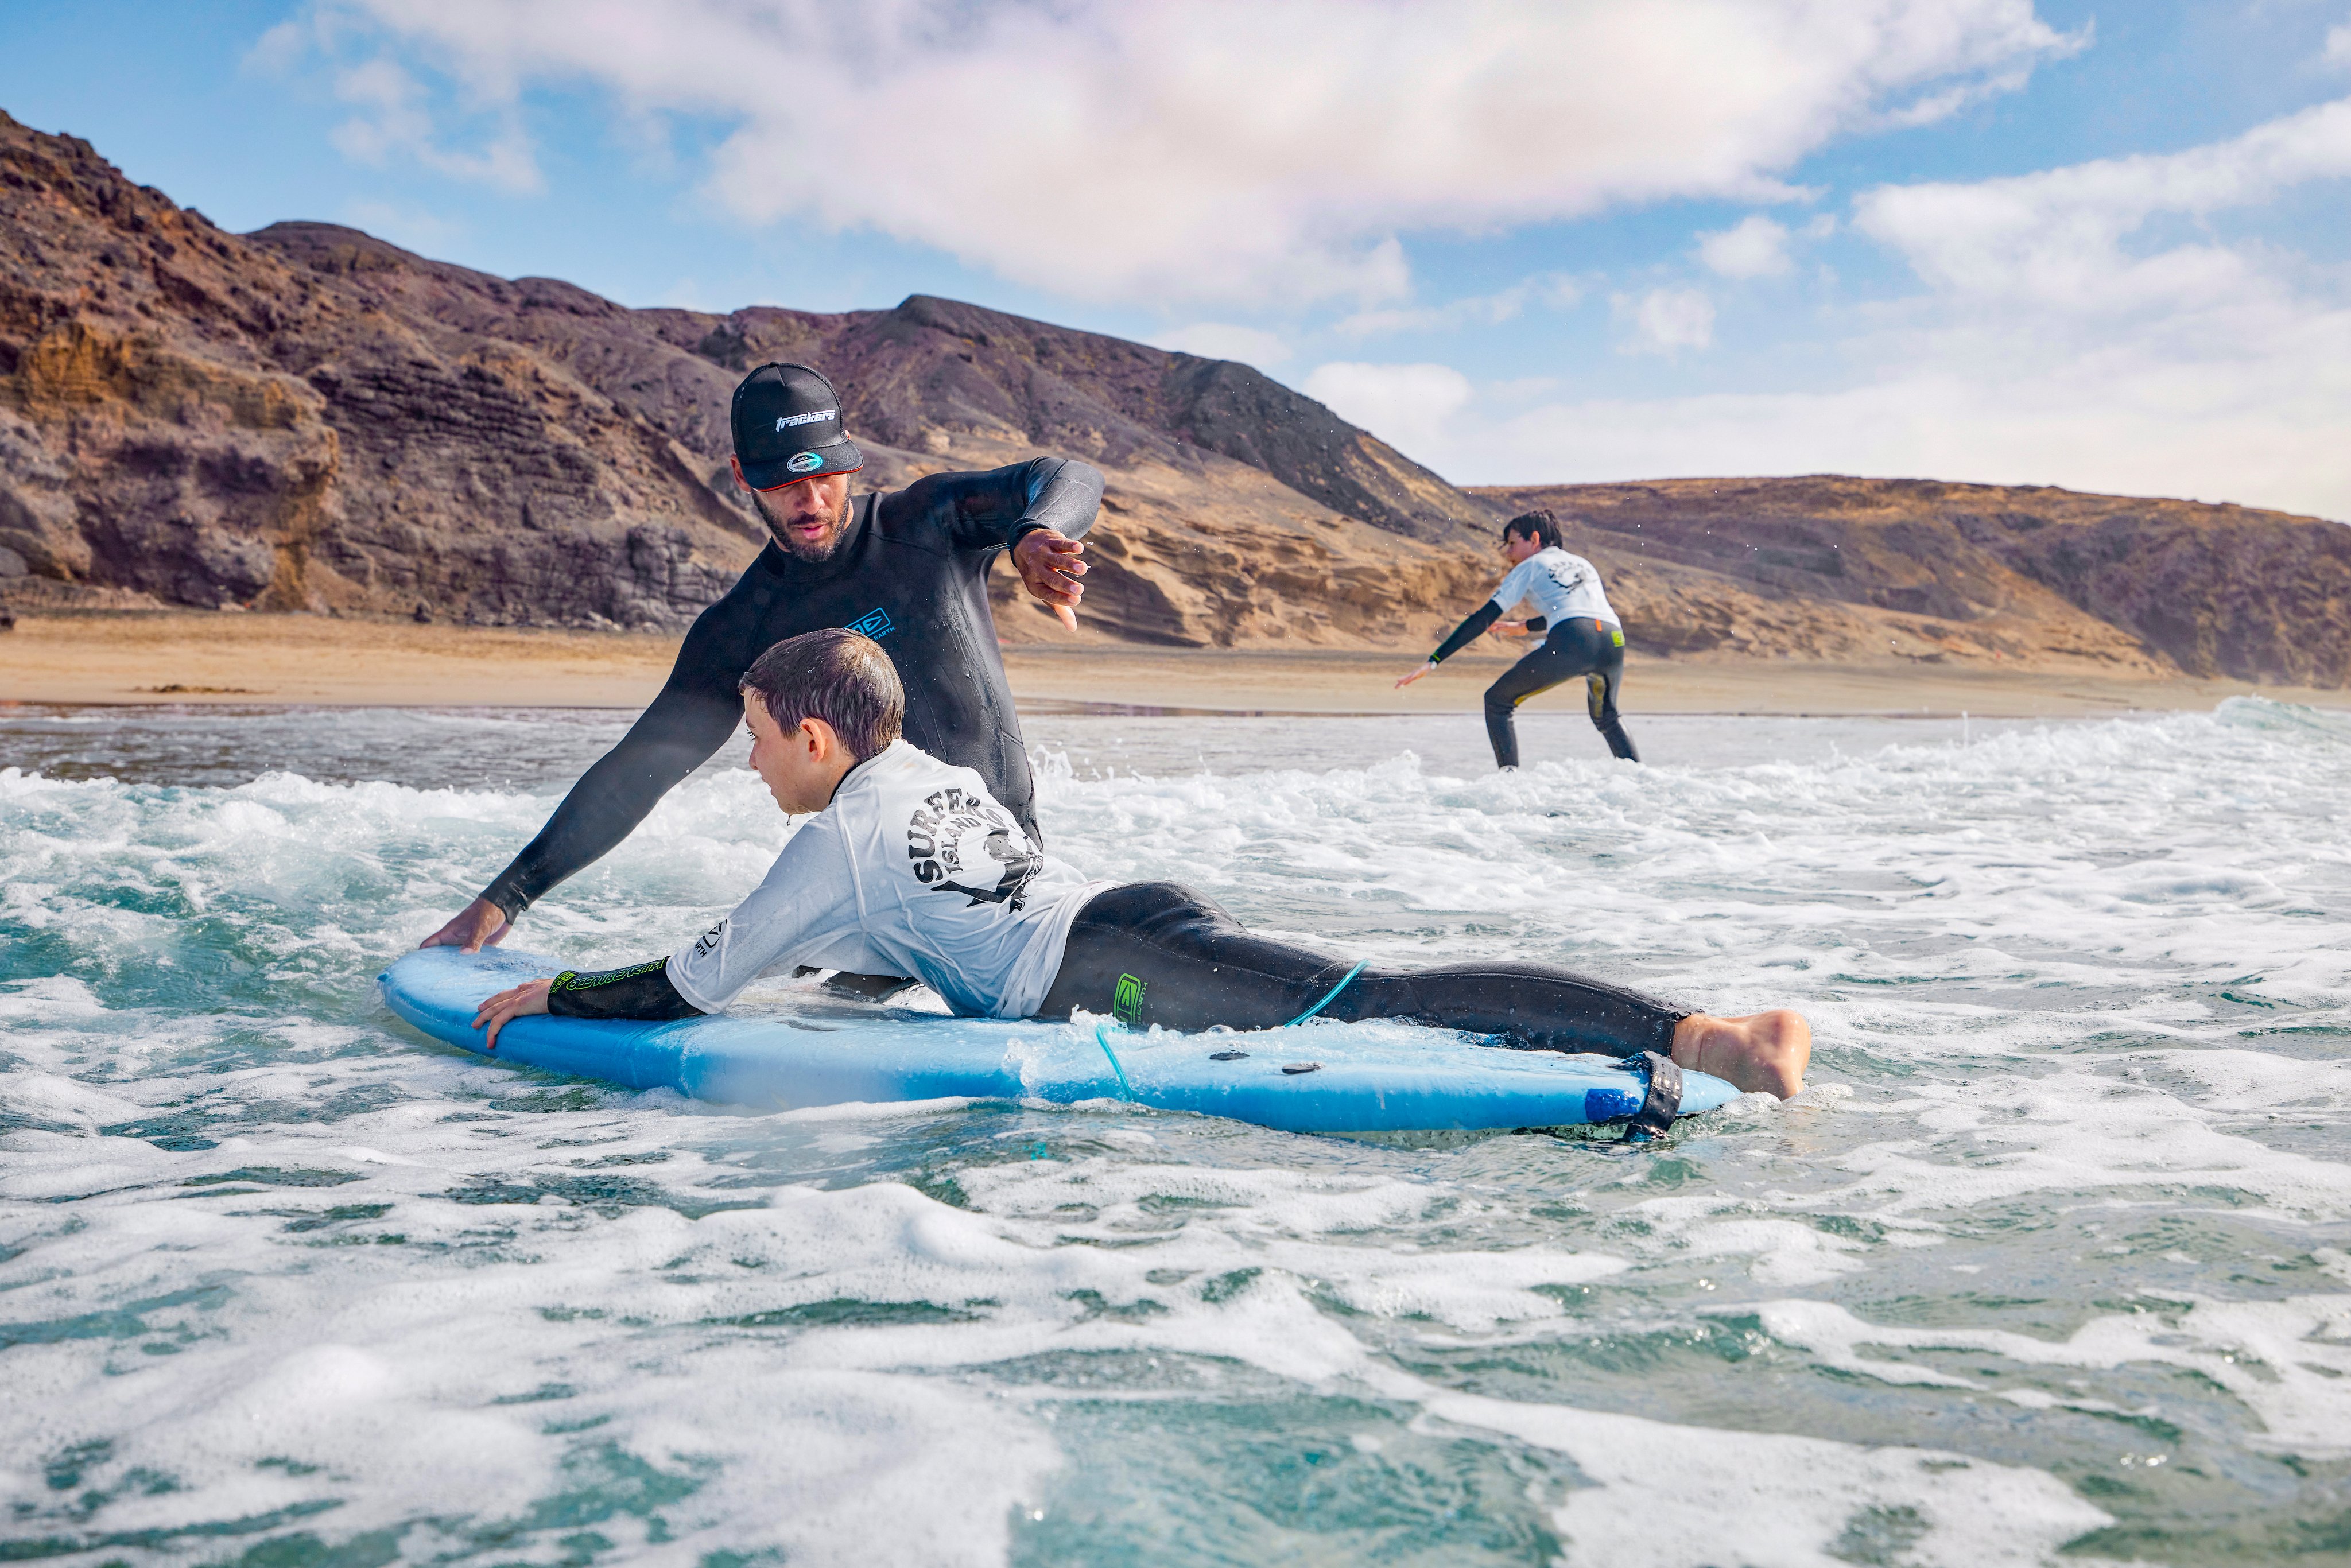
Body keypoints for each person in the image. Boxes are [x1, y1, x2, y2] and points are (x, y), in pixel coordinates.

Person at [471, 630, 1811, 1098]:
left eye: (758, 740)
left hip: (1114, 972)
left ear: (814, 735)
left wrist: (556, 993)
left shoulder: (832, 843)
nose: (749, 761)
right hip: (1132, 923)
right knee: (1368, 1003)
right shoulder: (922, 770)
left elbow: (692, 989)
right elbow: (922, 919)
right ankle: (1653, 1051)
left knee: (1379, 1003)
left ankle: (1710, 1033)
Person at [420, 362, 1103, 973]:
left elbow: (1066, 476)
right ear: (745, 477)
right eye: (784, 482)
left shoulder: (925, 525)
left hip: (1001, 883)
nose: (809, 501)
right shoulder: (742, 626)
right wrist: (505, 898)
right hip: (870, 914)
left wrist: (1035, 531)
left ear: (850, 464)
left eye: (823, 476)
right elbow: (639, 769)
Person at [1398, 510, 1639, 768]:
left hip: (1574, 640)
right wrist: (1526, 626)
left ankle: (1510, 785)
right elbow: (1582, 613)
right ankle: (1640, 781)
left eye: (1512, 544)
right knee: (1607, 717)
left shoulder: (1531, 566)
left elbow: (1483, 618)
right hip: (1613, 640)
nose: (1508, 553)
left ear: (1534, 539)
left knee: (1498, 702)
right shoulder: (1583, 564)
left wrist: (1434, 660)